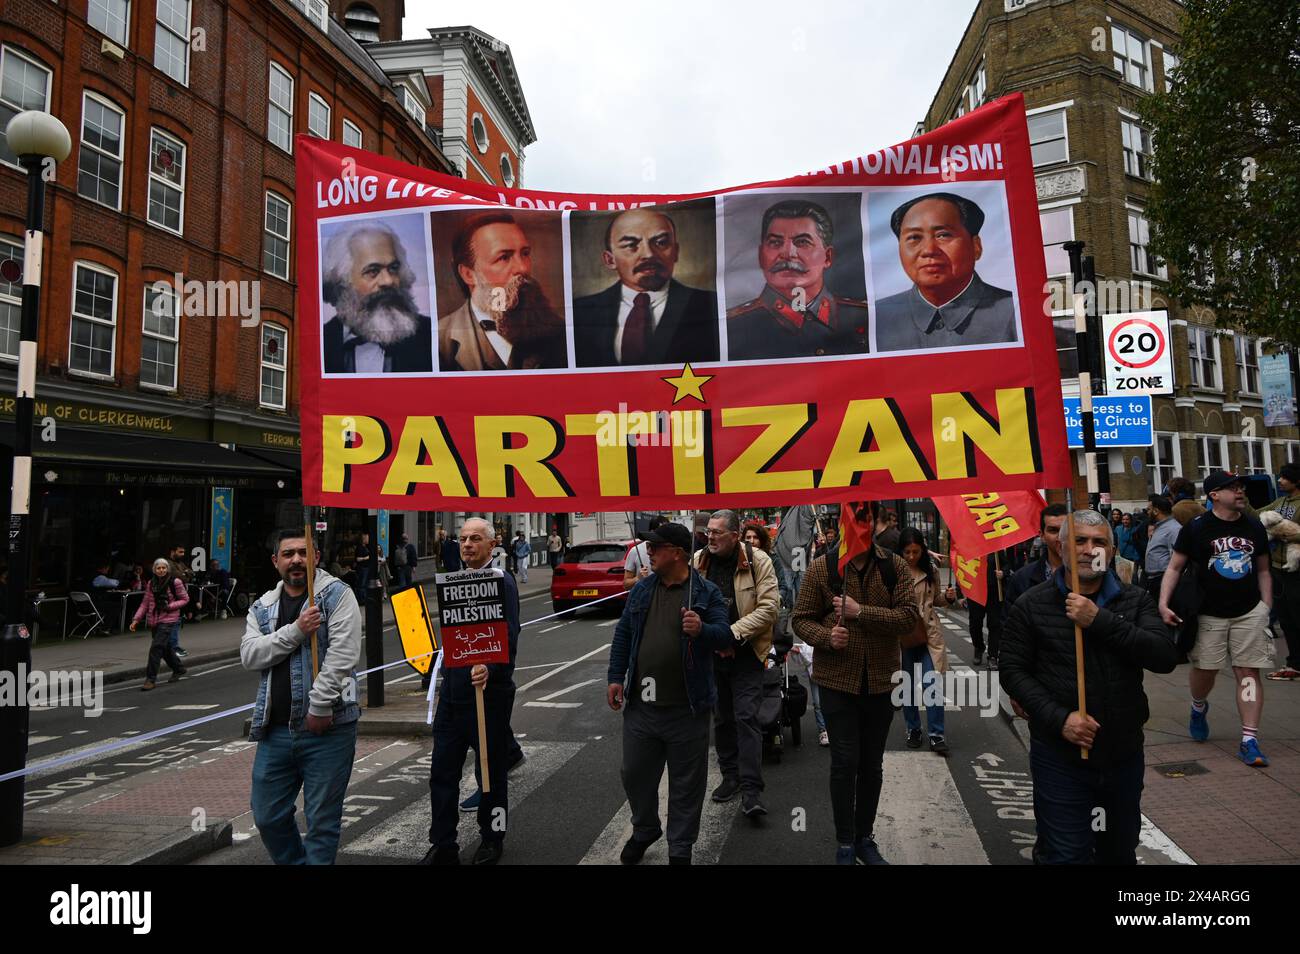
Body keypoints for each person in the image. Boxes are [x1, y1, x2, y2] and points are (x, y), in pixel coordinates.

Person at [1000, 509, 1176, 864]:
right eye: (1079, 540)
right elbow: (1013, 671)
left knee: (1117, 851)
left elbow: (1163, 657)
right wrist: (1061, 719)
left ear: (1111, 551)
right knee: (1067, 853)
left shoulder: (1134, 600)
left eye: (1099, 542)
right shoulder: (1032, 605)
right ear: (1061, 547)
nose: (1088, 549)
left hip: (1122, 754)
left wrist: (1099, 621)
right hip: (1060, 755)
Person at [791, 514, 920, 865]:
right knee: (844, 762)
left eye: (865, 518)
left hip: (881, 681)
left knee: (871, 765)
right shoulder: (822, 569)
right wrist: (826, 638)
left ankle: (865, 837)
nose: (858, 527)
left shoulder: (893, 566)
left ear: (875, 523)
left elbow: (909, 617)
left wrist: (860, 612)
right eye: (852, 517)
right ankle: (845, 840)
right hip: (837, 683)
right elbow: (800, 618)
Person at [607, 521, 733, 864]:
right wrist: (616, 676)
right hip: (642, 708)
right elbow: (623, 634)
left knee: (686, 786)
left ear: (676, 553)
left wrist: (702, 629)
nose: (648, 551)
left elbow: (725, 634)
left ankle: (681, 848)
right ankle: (645, 827)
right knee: (634, 774)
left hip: (687, 710)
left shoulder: (704, 593)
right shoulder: (642, 590)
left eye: (655, 546)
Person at [240, 529, 362, 864]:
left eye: (303, 553)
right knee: (267, 815)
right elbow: (250, 656)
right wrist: (296, 631)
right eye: (288, 554)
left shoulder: (338, 596)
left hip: (328, 729)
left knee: (322, 823)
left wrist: (320, 705)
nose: (296, 560)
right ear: (275, 561)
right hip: (276, 730)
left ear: (316, 558)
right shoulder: (262, 607)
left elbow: (343, 657)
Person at [422, 519, 521, 865]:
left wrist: (490, 669)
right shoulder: (454, 580)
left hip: (489, 695)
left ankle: (492, 838)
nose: (466, 544)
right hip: (453, 693)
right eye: (463, 539)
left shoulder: (502, 582)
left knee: (491, 774)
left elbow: (509, 636)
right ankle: (443, 843)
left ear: (491, 545)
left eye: (475, 539)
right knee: (442, 772)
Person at [1160, 471, 1275, 767]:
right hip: (1208, 613)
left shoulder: (1253, 526)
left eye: (1241, 488)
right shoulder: (1197, 528)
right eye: (1232, 488)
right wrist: (1163, 603)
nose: (1240, 492)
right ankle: (1198, 706)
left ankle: (1249, 739)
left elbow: (1263, 569)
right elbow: (1174, 568)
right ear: (1214, 495)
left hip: (1249, 612)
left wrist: (1265, 607)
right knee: (1205, 671)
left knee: (1248, 672)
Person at [693, 510, 781, 817]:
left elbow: (769, 608)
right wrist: (713, 640)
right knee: (722, 718)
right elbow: (690, 605)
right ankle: (730, 776)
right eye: (708, 532)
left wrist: (731, 636)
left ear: (735, 535)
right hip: (711, 654)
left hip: (746, 654)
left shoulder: (758, 561)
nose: (710, 537)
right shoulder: (699, 560)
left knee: (746, 717)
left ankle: (751, 789)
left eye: (717, 533)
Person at [573, 208, 719, 367]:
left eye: (661, 243)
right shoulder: (579, 312)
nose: (649, 254)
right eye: (631, 245)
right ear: (610, 260)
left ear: (676, 252)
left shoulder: (713, 305)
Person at [726, 199, 870, 360]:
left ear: (828, 257)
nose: (788, 253)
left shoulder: (866, 317)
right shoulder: (731, 327)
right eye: (775, 242)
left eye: (802, 242)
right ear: (761, 256)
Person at [874, 192, 1016, 352]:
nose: (928, 250)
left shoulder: (1016, 312)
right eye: (914, 238)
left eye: (943, 235)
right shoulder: (875, 318)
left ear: (976, 246)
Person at [438, 212, 566, 371]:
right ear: (468, 274)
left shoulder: (560, 331)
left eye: (525, 254)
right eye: (504, 257)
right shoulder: (439, 340)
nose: (523, 268)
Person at [321, 221, 434, 373]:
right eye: (373, 271)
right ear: (342, 283)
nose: (388, 281)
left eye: (393, 268)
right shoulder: (321, 342)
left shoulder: (431, 336)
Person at [897, 528, 957, 753]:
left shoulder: (931, 571)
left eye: (916, 551)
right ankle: (913, 729)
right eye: (907, 552)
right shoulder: (894, 572)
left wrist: (948, 598)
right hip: (903, 636)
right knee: (908, 687)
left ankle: (936, 734)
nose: (912, 556)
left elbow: (936, 600)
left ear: (922, 550)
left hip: (929, 635)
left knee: (933, 685)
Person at [1260, 462, 1300, 681]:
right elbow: (1258, 515)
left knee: (1297, 616)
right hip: (1279, 568)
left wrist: (1289, 536)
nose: (1280, 481)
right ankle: (1294, 663)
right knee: (1286, 618)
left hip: (1297, 569)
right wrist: (1242, 502)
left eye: (1285, 477)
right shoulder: (1281, 501)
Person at [129, 558, 188, 691]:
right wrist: (136, 619)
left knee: (156, 648)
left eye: (163, 568)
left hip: (169, 619)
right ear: (154, 570)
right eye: (158, 568)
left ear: (167, 569)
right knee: (164, 647)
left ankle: (150, 679)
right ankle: (178, 668)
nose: (161, 570)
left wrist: (169, 606)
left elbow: (185, 599)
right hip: (155, 620)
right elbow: (145, 603)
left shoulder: (175, 582)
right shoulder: (151, 583)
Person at [1005, 504, 1068, 606]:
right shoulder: (1021, 579)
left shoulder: (1092, 574)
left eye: (1066, 530)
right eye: (1053, 530)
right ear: (1042, 535)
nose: (1060, 536)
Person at [969, 549, 1006, 669]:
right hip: (975, 592)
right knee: (975, 622)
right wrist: (960, 593)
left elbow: (1006, 564)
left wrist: (1003, 573)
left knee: (994, 624)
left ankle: (993, 656)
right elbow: (962, 567)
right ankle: (979, 646)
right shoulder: (970, 546)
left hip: (994, 591)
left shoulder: (995, 548)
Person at [1143, 495, 1179, 605]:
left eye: (1149, 509)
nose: (1147, 512)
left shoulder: (1173, 529)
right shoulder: (1158, 527)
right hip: (1154, 579)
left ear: (1156, 510)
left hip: (1163, 580)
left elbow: (1176, 559)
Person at [624, 514, 670, 590]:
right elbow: (626, 585)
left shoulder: (671, 550)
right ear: (652, 532)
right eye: (662, 531)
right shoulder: (635, 551)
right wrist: (638, 578)